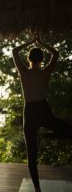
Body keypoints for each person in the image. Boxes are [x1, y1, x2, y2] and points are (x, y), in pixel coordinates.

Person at [12, 33, 72, 192]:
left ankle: (37, 189)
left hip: (30, 112)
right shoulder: (45, 72)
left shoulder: (24, 72)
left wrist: (30, 42)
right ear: (42, 59)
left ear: (29, 59)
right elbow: (57, 53)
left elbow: (14, 51)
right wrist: (41, 42)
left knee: (32, 155)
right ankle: (45, 135)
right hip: (43, 110)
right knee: (67, 131)